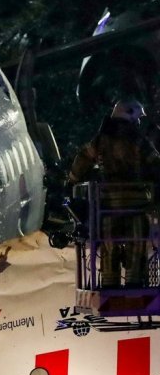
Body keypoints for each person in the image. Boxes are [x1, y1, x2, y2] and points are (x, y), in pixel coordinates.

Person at [68, 99, 160, 287]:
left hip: (108, 205)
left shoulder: (101, 139)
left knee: (108, 243)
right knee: (137, 243)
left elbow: (83, 158)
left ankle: (109, 281)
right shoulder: (138, 140)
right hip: (136, 205)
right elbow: (155, 163)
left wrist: (71, 180)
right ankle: (135, 282)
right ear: (131, 116)